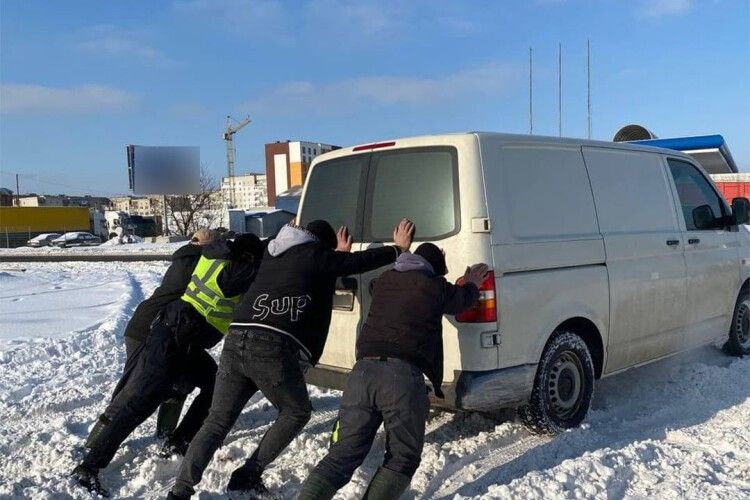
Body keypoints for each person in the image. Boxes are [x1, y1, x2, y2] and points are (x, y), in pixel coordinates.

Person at [167, 218, 415, 499]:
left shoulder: (274, 251)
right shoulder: (311, 254)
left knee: (216, 422)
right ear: (320, 245)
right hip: (271, 347)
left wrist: (336, 257)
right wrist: (397, 249)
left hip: (236, 340)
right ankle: (247, 474)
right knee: (296, 412)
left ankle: (180, 491)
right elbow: (356, 263)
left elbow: (316, 273)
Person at [72, 234, 265, 497]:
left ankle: (178, 442)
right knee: (138, 404)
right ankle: (88, 467)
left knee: (213, 384)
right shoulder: (232, 270)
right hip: (171, 339)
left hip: (185, 340)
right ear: (247, 257)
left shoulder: (215, 255)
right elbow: (234, 283)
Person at [299, 243, 489, 500]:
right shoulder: (434, 286)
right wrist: (471, 283)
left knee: (342, 455)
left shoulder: (386, 280)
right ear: (435, 270)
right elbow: (461, 301)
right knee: (402, 457)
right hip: (400, 377)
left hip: (362, 373)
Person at [84, 228, 216, 450]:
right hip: (147, 329)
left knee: (182, 378)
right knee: (133, 389)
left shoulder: (186, 257)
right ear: (206, 246)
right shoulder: (194, 262)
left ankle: (165, 432)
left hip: (169, 330)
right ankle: (96, 443)